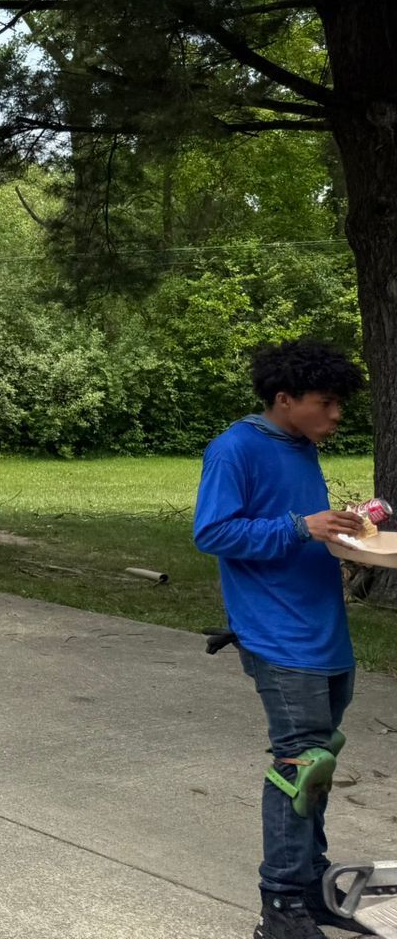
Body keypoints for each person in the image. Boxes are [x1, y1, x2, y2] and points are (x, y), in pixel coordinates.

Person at [195, 337, 369, 938]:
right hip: (277, 634)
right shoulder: (234, 448)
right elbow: (213, 532)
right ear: (285, 398)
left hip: (324, 629)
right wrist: (300, 526)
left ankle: (312, 888)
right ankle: (280, 907)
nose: (336, 415)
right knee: (300, 765)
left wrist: (346, 537)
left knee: (320, 762)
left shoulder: (300, 447)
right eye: (326, 403)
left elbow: (297, 532)